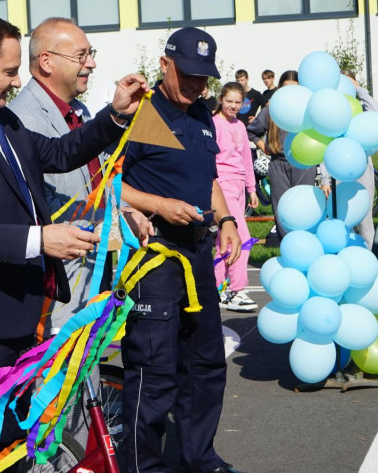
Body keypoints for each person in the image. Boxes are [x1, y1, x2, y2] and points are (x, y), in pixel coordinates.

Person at [0, 13, 145, 473]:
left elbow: (60, 153)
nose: (17, 82)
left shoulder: (2, 121)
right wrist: (38, 239)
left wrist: (114, 115)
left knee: (12, 449)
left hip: (18, 315)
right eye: (10, 72)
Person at [8, 16, 151, 448]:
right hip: (55, 279)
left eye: (91, 54)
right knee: (51, 384)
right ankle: (49, 457)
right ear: (46, 62)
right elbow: (39, 197)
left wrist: (122, 209)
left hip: (87, 272)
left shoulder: (78, 112)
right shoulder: (21, 117)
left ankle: (67, 454)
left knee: (79, 375)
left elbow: (93, 178)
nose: (90, 63)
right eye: (82, 55)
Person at [119, 26, 245, 473]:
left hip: (197, 254)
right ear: (164, 64)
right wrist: (160, 206)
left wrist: (227, 219)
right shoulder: (139, 114)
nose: (196, 84)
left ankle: (200, 459)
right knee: (153, 375)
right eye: (187, 74)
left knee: (206, 365)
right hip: (154, 259)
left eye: (204, 77)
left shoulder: (201, 114)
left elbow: (207, 177)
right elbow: (109, 187)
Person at [247, 70, 319, 243]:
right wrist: (264, 147)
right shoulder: (272, 109)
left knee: (303, 207)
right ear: (280, 89)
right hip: (278, 163)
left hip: (304, 164)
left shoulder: (308, 109)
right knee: (281, 208)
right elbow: (251, 132)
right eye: (286, 89)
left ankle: (305, 244)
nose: (291, 93)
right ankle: (286, 245)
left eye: (295, 89)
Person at [212, 81, 259, 312]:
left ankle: (215, 287)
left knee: (225, 241)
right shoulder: (214, 123)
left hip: (239, 185)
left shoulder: (240, 125)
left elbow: (246, 159)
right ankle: (236, 289)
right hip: (222, 184)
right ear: (221, 99)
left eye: (237, 102)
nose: (233, 106)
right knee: (242, 237)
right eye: (229, 101)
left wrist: (251, 188)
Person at [342, 69, 378, 248]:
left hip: (362, 165)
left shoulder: (360, 107)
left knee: (365, 217)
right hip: (340, 167)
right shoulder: (334, 107)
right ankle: (346, 252)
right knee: (343, 215)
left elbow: (376, 110)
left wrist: (359, 89)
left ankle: (368, 253)